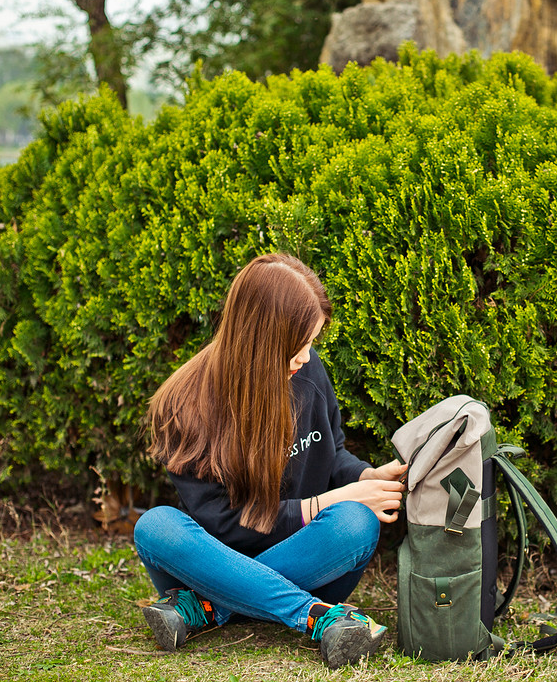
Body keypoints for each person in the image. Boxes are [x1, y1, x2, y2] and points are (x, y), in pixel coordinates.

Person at [133, 253, 407, 669]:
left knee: (357, 522)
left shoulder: (307, 370)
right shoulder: (183, 404)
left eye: (313, 341)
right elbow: (225, 525)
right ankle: (313, 615)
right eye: (299, 345)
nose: (307, 356)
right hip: (216, 558)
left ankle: (207, 608)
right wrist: (330, 501)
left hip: (305, 554)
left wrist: (366, 476)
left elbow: (331, 452)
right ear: (261, 341)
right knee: (155, 527)